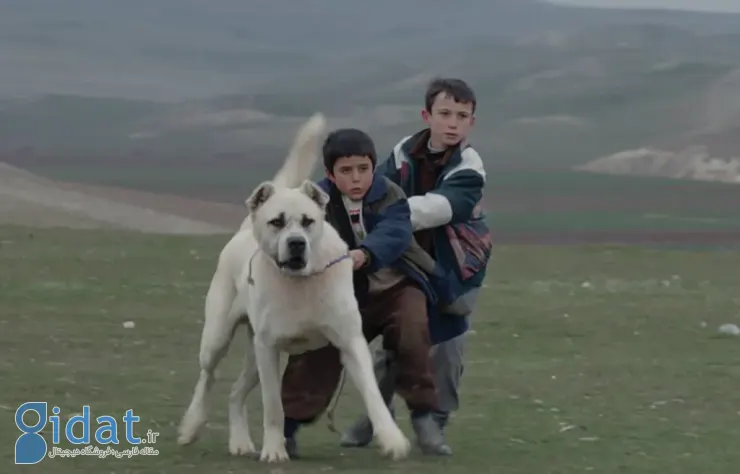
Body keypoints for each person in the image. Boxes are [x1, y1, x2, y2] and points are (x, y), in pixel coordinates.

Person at [340, 78, 493, 453]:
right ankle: (378, 417)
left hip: (457, 267)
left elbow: (441, 208)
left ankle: (435, 423)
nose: (452, 123)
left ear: (472, 122)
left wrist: (387, 218)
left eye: (462, 115)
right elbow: (374, 189)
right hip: (408, 262)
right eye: (444, 114)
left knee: (447, 345)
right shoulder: (402, 153)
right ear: (428, 116)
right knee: (398, 338)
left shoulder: (470, 168)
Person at [279, 127, 452, 457]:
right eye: (346, 171)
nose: (356, 178)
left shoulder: (390, 195)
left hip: (396, 286)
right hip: (341, 294)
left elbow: (395, 233)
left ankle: (423, 416)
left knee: (413, 330)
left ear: (374, 167)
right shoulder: (314, 202)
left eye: (363, 169)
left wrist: (364, 253)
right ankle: (287, 428)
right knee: (317, 348)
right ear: (330, 174)